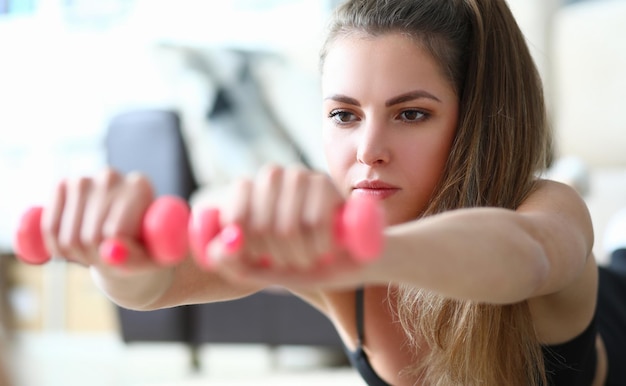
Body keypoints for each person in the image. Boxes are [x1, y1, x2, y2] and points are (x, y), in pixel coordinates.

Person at [34, 0, 626, 385]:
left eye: (412, 114)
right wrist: (116, 257)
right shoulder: (333, 250)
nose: (368, 148)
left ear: (476, 121)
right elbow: (161, 282)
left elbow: (527, 256)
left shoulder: (550, 208)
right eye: (344, 115)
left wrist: (360, 251)